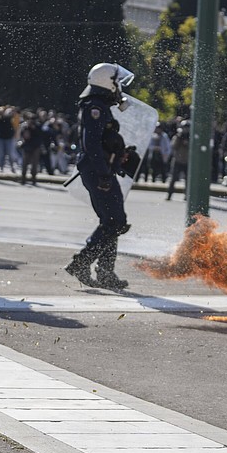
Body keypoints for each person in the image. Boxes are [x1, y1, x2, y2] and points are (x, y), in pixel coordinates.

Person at [64, 62, 135, 290]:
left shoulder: (100, 106)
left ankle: (105, 272)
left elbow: (102, 142)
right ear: (107, 82)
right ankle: (82, 262)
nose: (119, 88)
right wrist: (104, 173)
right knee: (116, 221)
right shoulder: (94, 107)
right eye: (117, 83)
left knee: (111, 221)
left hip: (99, 169)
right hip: (97, 171)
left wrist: (119, 152)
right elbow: (91, 144)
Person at [166, 120, 190, 201]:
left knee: (188, 180)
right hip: (177, 160)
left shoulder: (191, 137)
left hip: (187, 161)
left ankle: (187, 196)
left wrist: (188, 142)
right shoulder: (178, 136)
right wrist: (180, 139)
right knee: (173, 179)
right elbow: (173, 146)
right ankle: (169, 195)